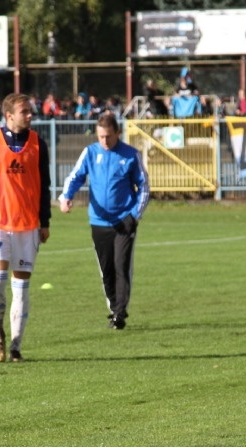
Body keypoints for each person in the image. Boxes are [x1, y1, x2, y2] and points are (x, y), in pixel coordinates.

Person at [0, 93, 51, 363]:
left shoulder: (39, 143)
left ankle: (15, 346)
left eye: (30, 110)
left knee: (21, 287)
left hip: (28, 225)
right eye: (24, 111)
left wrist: (45, 221)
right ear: (9, 115)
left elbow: (45, 185)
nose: (30, 115)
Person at [59, 112, 150, 330]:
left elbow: (144, 187)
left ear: (117, 133)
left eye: (108, 136)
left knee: (121, 265)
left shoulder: (130, 155)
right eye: (101, 137)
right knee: (106, 269)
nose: (104, 141)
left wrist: (134, 216)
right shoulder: (90, 152)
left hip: (124, 222)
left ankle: (119, 312)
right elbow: (75, 176)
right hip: (98, 221)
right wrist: (66, 197)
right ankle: (113, 306)